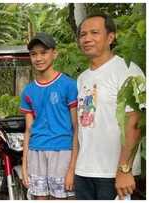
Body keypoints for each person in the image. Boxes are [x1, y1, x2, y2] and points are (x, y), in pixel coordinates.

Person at [74, 14, 143, 200]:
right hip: (84, 171)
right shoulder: (82, 79)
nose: (87, 38)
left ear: (110, 37)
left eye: (94, 33)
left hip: (114, 174)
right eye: (83, 34)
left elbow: (135, 123)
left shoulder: (128, 71)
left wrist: (124, 169)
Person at [20, 32, 78, 200]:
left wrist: (72, 168)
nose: (38, 58)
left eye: (43, 52)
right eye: (33, 54)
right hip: (35, 151)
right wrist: (24, 166)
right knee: (40, 198)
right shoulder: (28, 91)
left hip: (62, 151)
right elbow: (29, 130)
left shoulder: (69, 85)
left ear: (54, 53)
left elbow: (76, 128)